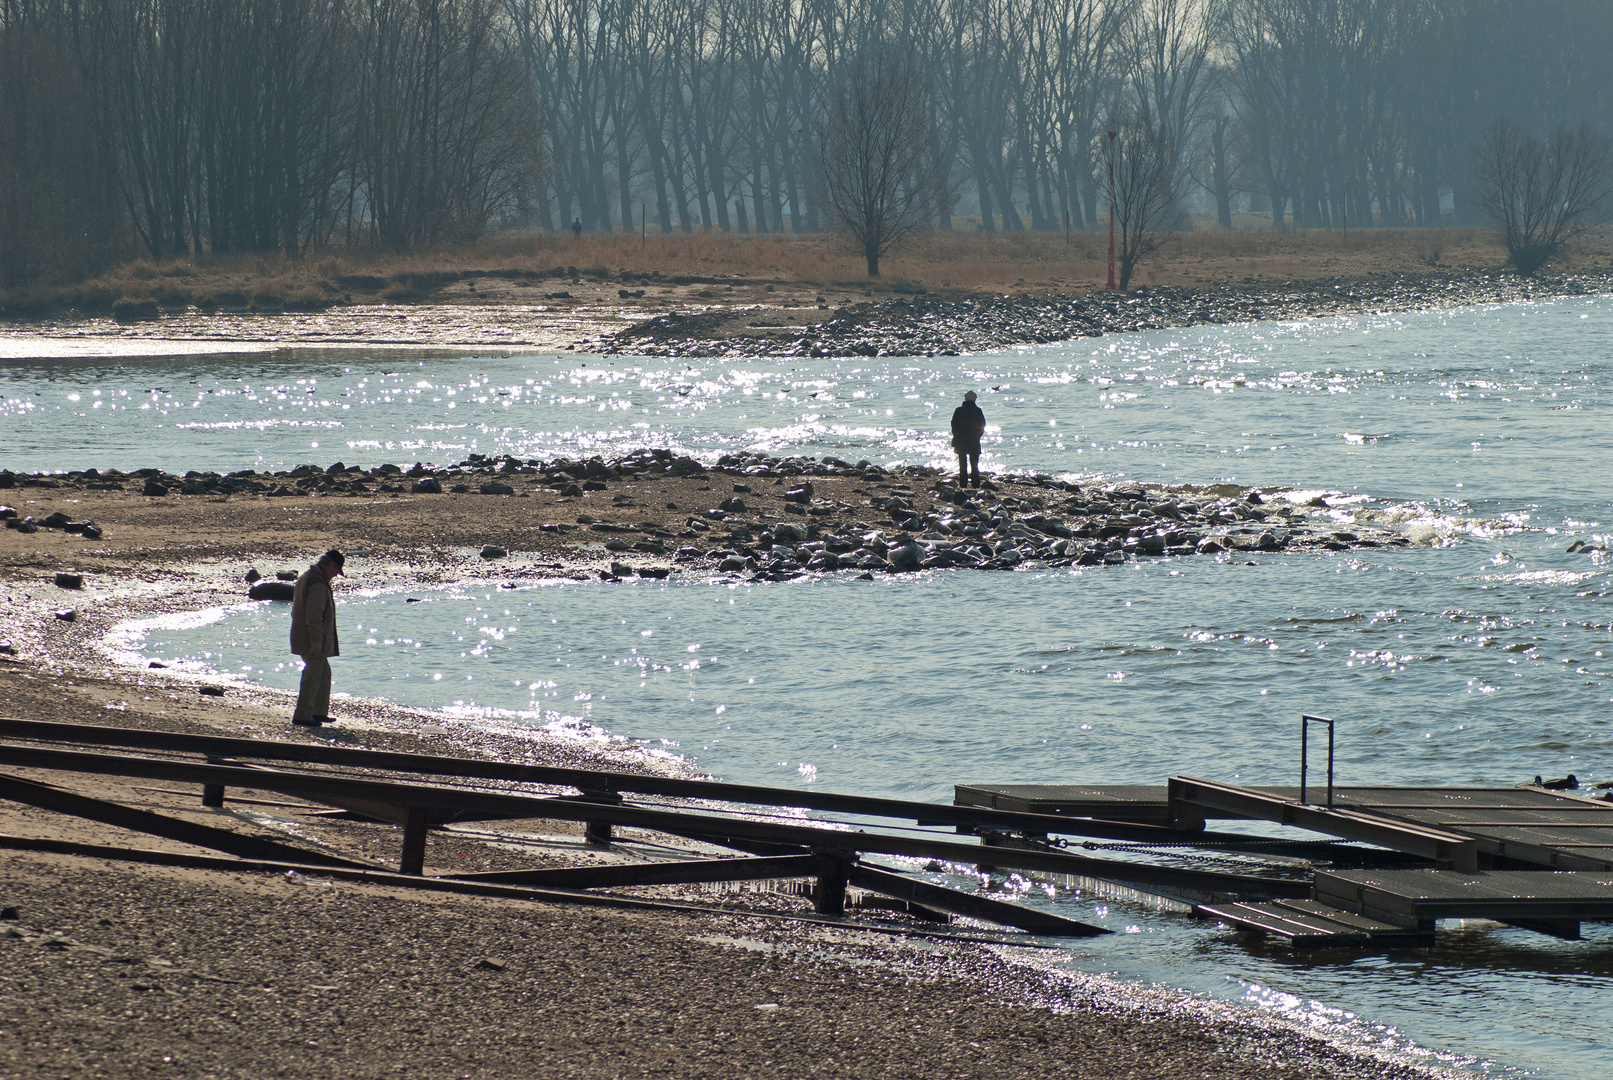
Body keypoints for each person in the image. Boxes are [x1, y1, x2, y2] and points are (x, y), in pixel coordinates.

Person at [290, 549, 344, 727]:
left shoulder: (307, 576)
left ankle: (318, 712)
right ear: (330, 565)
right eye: (336, 570)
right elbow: (314, 618)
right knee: (312, 677)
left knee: (323, 673)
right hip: (312, 640)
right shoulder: (318, 584)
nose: (336, 575)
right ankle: (303, 716)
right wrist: (315, 643)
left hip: (305, 637)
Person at [950, 390, 986, 487]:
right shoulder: (978, 410)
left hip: (961, 440)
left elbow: (953, 424)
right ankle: (976, 484)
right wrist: (978, 436)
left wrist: (956, 434)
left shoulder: (958, 410)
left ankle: (963, 484)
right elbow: (982, 425)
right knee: (974, 464)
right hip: (974, 440)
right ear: (974, 399)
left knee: (962, 463)